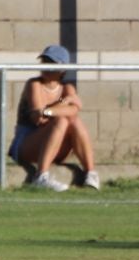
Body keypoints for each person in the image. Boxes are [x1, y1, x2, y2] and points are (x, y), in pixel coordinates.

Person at [10, 44, 99, 192]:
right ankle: (41, 176)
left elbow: (74, 109)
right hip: (26, 143)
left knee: (74, 121)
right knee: (62, 120)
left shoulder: (67, 88)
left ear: (62, 69)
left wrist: (50, 110)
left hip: (55, 144)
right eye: (44, 61)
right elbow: (37, 119)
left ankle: (91, 173)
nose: (45, 67)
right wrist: (58, 108)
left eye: (51, 63)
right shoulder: (34, 85)